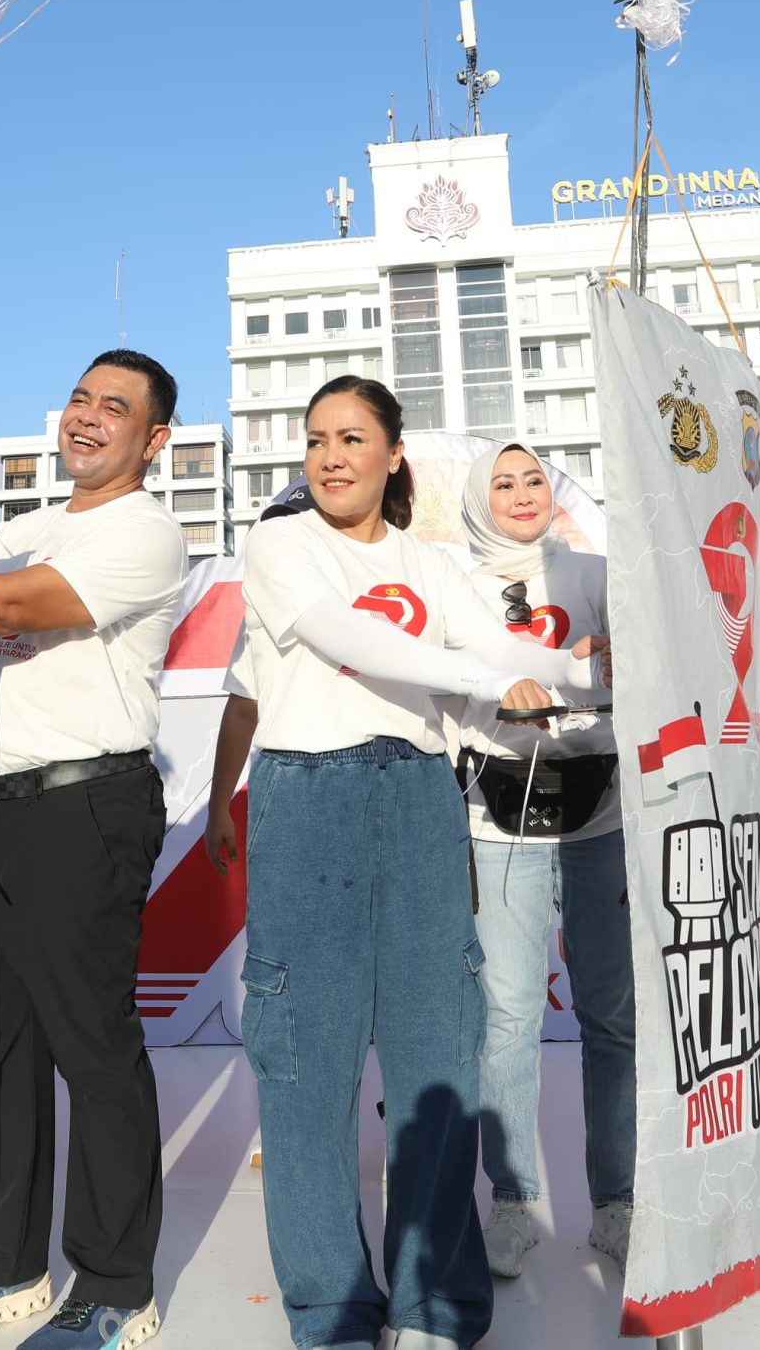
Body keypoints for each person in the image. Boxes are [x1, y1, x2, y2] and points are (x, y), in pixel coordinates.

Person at [231, 377, 598, 1350]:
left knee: (437, 1057)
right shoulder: (277, 543)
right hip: (312, 798)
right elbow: (341, 635)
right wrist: (490, 676)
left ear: (394, 455)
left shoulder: (429, 565)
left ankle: (434, 1304)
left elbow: (503, 647)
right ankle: (333, 1313)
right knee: (307, 1074)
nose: (330, 456)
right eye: (315, 440)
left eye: (352, 438)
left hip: (421, 800)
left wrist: (596, 667)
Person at [0, 352, 189, 1350]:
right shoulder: (23, 528)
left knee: (93, 1050)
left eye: (116, 408)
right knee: (7, 1052)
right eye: (79, 397)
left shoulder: (147, 531)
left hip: (84, 809)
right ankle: (11, 1267)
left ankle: (117, 1285)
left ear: (153, 440)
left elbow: (5, 609)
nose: (88, 417)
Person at [448, 442, 633, 1281]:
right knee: (510, 1015)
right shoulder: (452, 580)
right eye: (503, 481)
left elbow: (645, 674)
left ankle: (618, 1202)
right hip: (497, 817)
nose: (522, 495)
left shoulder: (597, 571)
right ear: (476, 497)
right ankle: (512, 1201)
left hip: (603, 813)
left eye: (534, 480)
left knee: (612, 1014)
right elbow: (442, 685)